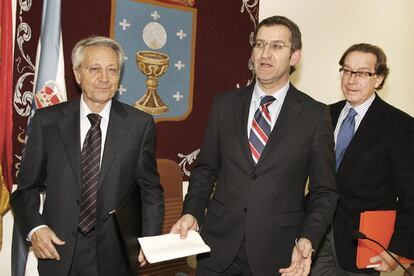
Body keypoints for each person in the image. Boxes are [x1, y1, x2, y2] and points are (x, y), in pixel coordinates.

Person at [171, 15, 338, 276]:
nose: (265, 54)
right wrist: (191, 212)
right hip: (217, 249)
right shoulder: (224, 104)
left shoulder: (315, 115)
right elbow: (205, 170)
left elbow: (324, 192)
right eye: (259, 44)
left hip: (278, 254)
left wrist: (308, 238)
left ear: (295, 56)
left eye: (277, 46)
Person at [10, 36, 164, 276]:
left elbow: (150, 189)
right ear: (77, 74)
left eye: (112, 70)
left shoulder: (139, 125)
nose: (104, 78)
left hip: (117, 255)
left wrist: (151, 238)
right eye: (95, 69)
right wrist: (35, 228)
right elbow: (25, 190)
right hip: (58, 250)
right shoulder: (47, 122)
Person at [311, 43, 414, 275]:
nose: (351, 80)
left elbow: (410, 196)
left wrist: (396, 249)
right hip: (317, 235)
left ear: (378, 79)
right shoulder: (325, 114)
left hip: (362, 242)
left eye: (362, 73)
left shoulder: (400, 126)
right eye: (346, 71)